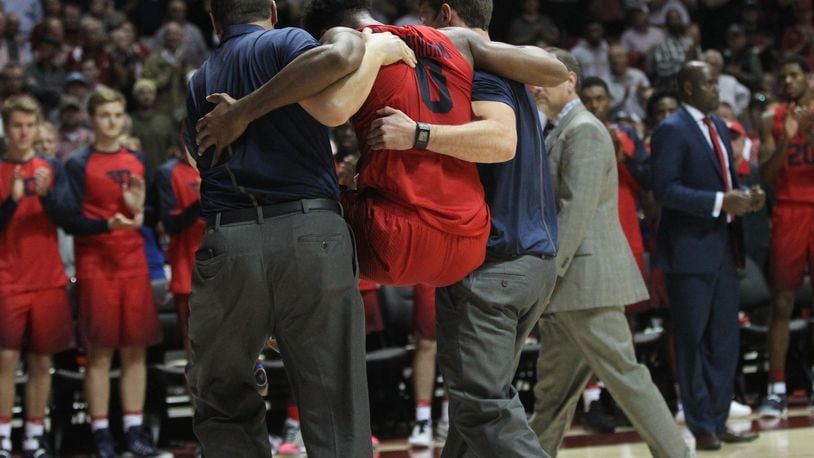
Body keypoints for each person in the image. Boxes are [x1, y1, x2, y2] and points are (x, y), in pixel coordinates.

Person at [195, 0, 567, 288]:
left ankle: (285, 309)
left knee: (310, 210)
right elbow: (554, 71)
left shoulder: (346, 43)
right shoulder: (457, 39)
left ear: (330, 30)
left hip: (396, 242)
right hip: (471, 240)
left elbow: (332, 110)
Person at [183, 0, 418, 456]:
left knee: (223, 404)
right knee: (336, 405)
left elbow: (197, 155)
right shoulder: (288, 41)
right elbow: (341, 54)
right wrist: (248, 111)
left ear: (214, 22)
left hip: (227, 243)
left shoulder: (200, 79)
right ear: (272, 9)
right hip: (308, 232)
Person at [363, 1, 560, 455]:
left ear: (445, 15)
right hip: (529, 262)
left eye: (424, 17)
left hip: (496, 264)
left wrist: (418, 134)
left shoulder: (479, 70)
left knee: (481, 407)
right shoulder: (503, 67)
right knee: (472, 414)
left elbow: (500, 140)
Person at [528, 49, 688, 458]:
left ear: (570, 81)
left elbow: (575, 211)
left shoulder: (584, 129)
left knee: (626, 378)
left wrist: (546, 276)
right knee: (552, 393)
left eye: (543, 78)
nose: (534, 87)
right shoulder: (561, 130)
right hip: (571, 289)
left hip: (585, 282)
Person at [650, 60, 764, 451]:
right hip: (689, 253)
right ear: (687, 89)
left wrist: (747, 195)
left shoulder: (717, 126)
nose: (717, 90)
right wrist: (720, 200)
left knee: (724, 340)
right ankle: (700, 424)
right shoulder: (671, 129)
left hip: (723, 247)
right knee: (692, 341)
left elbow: (727, 181)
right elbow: (664, 190)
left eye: (716, 83)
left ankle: (718, 417)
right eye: (709, 84)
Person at [62, 88, 169, 458]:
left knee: (136, 352)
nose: (112, 121)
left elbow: (154, 214)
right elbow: (71, 220)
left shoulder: (138, 158)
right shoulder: (77, 164)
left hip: (133, 261)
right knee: (99, 354)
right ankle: (102, 434)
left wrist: (140, 212)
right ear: (92, 119)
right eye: (104, 114)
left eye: (117, 114)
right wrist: (108, 224)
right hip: (95, 264)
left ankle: (134, 432)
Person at [0, 95, 74, 458]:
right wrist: (11, 201)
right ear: (6, 128)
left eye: (30, 125)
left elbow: (69, 219)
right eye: (17, 125)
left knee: (42, 361)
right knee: (5, 360)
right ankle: (1, 435)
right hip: (7, 278)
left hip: (48, 277)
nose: (24, 132)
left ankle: (33, 434)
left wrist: (45, 197)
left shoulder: (51, 167)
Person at [757, 55, 814, 418]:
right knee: (782, 302)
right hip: (788, 211)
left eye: (795, 74)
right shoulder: (770, 118)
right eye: (784, 76)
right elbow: (765, 175)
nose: (790, 80)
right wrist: (788, 141)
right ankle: (776, 387)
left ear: (807, 78)